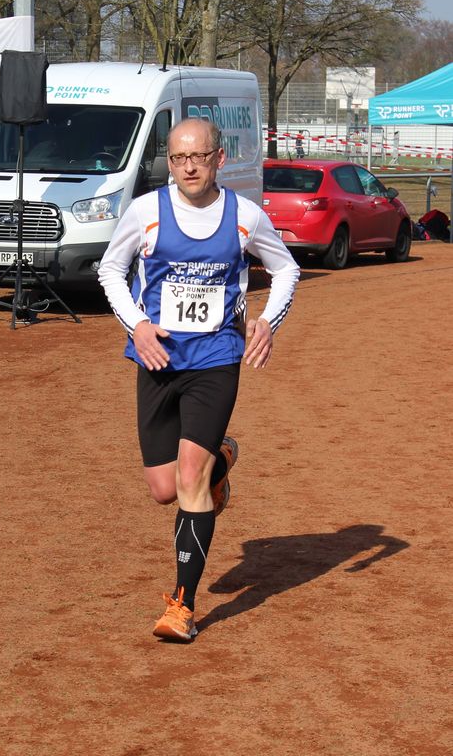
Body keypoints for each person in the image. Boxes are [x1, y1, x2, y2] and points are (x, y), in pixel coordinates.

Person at [98, 118, 300, 642]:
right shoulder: (145, 211)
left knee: (190, 478)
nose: (189, 167)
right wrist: (137, 325)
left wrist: (267, 322)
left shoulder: (245, 216)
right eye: (178, 158)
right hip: (158, 359)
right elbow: (109, 271)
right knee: (164, 489)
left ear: (219, 159)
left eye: (199, 156)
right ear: (169, 162)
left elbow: (286, 269)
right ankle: (222, 460)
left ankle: (181, 606)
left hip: (216, 359)